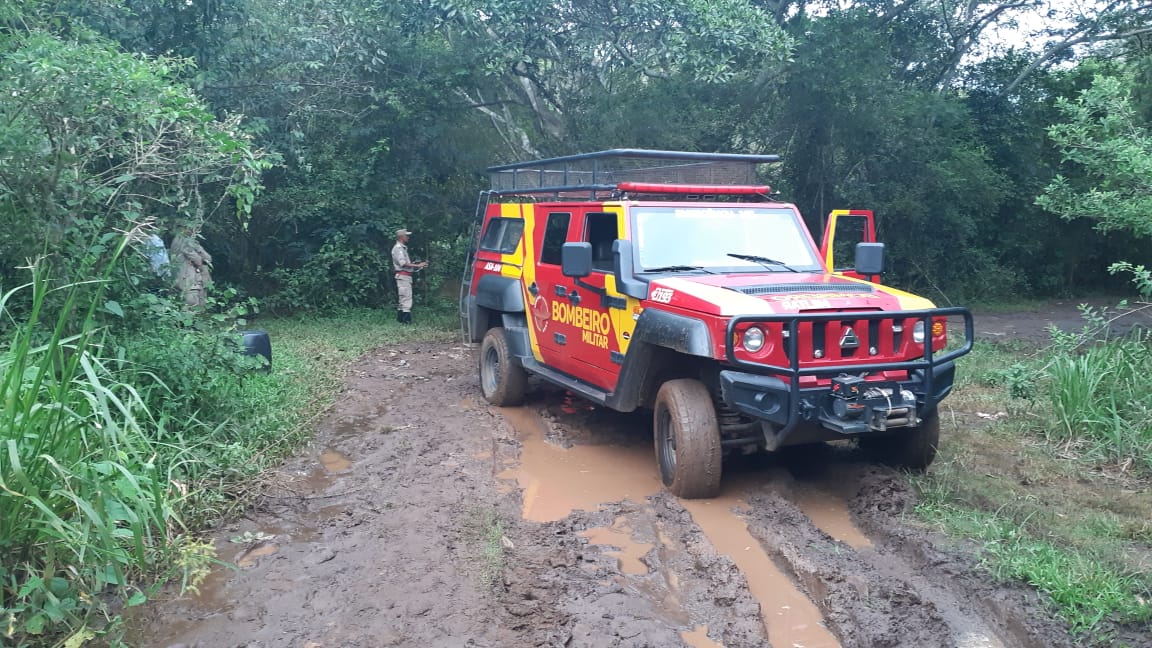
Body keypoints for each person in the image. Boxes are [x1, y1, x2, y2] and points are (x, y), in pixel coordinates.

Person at [170, 226, 213, 308]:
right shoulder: (182, 240)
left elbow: (208, 258)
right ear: (183, 228)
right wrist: (200, 258)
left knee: (200, 307)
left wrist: (199, 252)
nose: (194, 231)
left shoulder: (192, 242)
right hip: (188, 280)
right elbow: (198, 260)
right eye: (190, 228)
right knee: (191, 306)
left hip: (196, 281)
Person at [392, 228, 428, 324]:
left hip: (404, 276)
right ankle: (406, 321)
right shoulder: (399, 249)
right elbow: (403, 263)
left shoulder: (401, 248)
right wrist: (418, 265)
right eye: (406, 235)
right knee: (407, 298)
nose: (408, 237)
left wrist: (415, 265)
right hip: (403, 276)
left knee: (402, 299)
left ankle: (400, 319)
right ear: (402, 237)